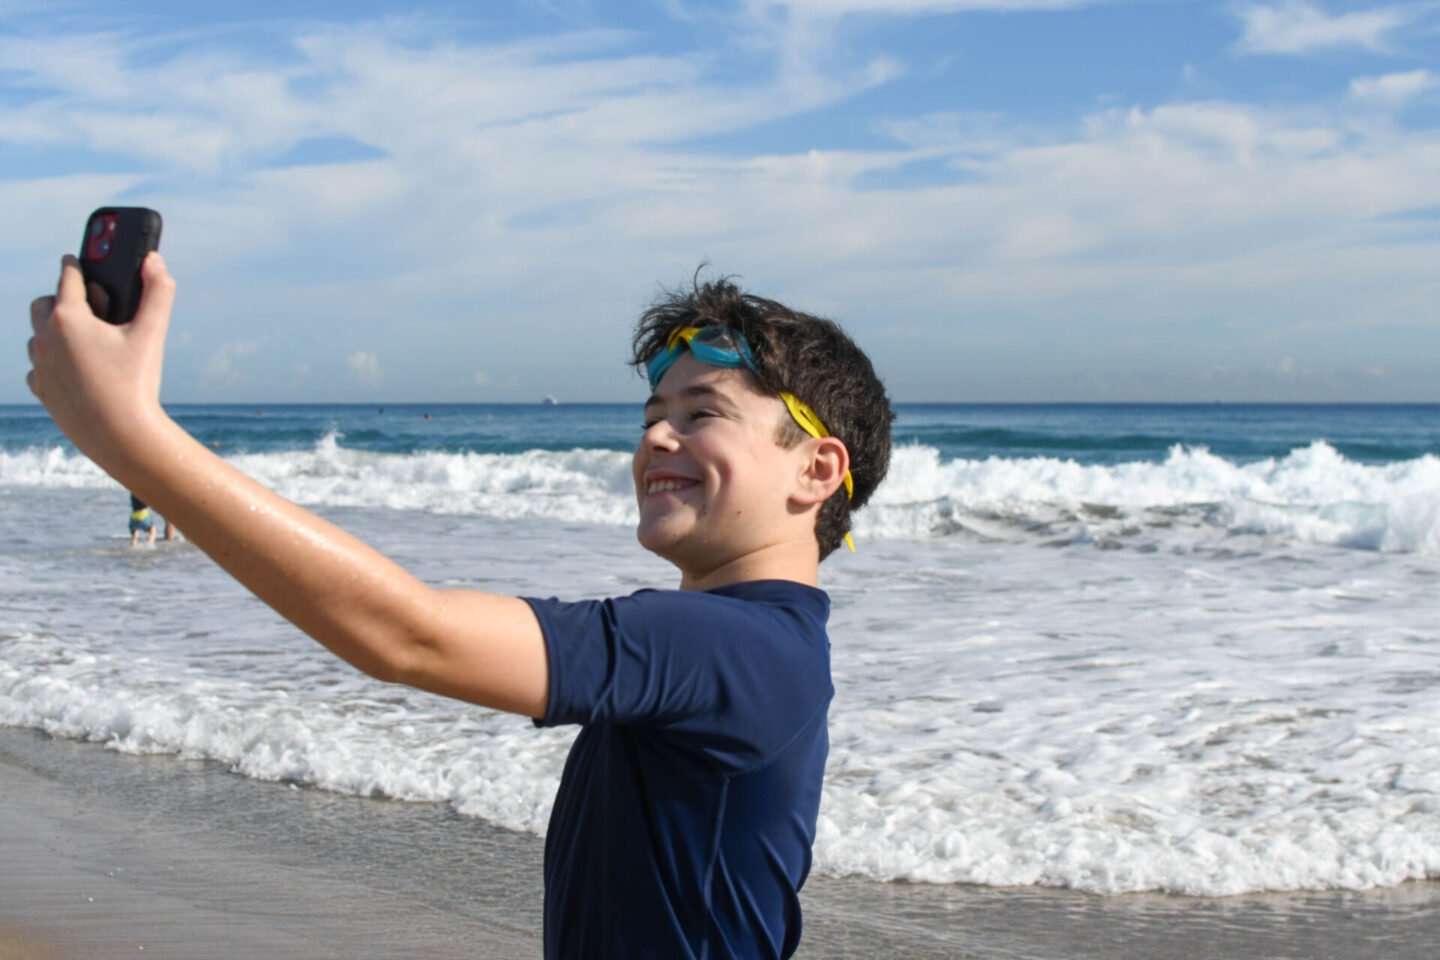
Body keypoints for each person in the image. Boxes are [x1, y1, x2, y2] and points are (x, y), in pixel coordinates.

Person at [26, 252, 894, 959]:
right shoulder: (757, 646)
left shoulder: (734, 648)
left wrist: (130, 434)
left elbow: (410, 634)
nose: (658, 436)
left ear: (817, 470)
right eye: (651, 415)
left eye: (702, 413)